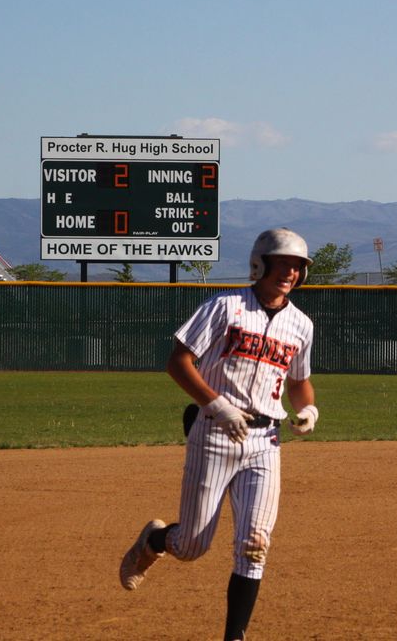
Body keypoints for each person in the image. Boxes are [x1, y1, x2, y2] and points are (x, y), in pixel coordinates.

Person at [119, 228, 320, 641]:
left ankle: (235, 636)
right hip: (213, 433)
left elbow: (299, 382)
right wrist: (217, 405)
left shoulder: (301, 325)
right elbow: (178, 362)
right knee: (191, 547)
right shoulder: (225, 306)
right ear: (260, 263)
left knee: (255, 544)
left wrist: (308, 409)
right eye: (282, 263)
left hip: (265, 442)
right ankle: (155, 540)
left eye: (297, 266)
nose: (289, 273)